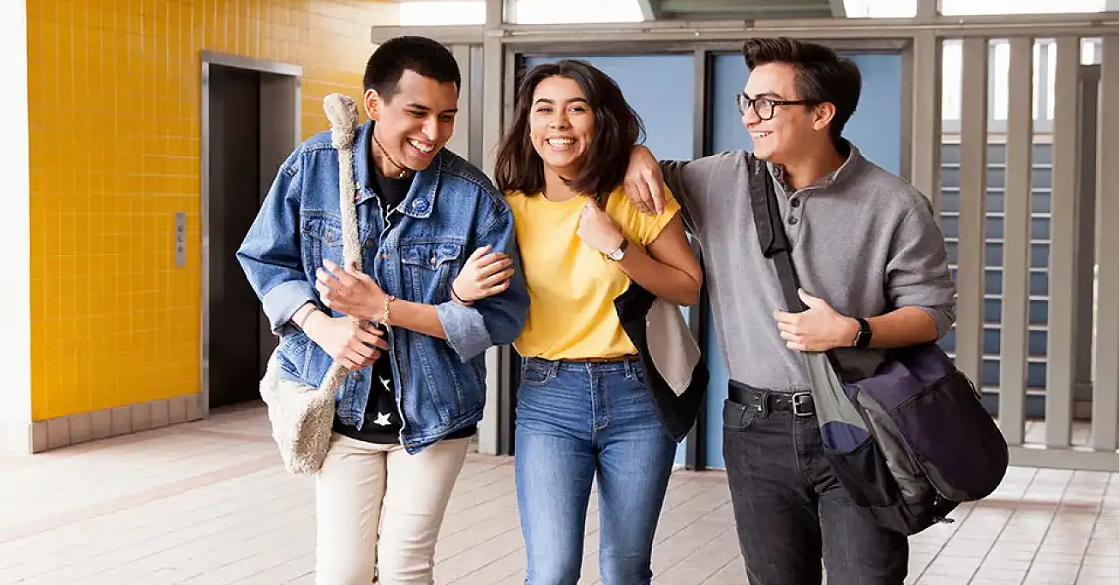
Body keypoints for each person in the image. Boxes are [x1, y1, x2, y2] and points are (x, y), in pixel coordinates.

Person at [622, 37, 956, 585]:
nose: (752, 117)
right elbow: (634, 172)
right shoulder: (722, 179)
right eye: (746, 102)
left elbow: (933, 312)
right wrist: (636, 151)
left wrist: (854, 330)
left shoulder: (893, 203)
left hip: (858, 423)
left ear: (823, 113)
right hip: (755, 428)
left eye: (768, 104)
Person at [236, 35, 530, 585]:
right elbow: (264, 258)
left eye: (447, 117)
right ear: (373, 105)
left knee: (404, 570)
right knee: (342, 573)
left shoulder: (473, 199)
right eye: (417, 113)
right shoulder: (316, 166)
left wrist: (434, 304)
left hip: (435, 414)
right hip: (339, 409)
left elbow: (503, 318)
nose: (433, 133)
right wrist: (321, 328)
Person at [461, 59, 705, 585]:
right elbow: (474, 297)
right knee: (550, 572)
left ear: (600, 120)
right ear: (528, 124)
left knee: (625, 570)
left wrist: (619, 247)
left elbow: (688, 285)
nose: (560, 123)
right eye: (544, 109)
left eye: (577, 108)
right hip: (550, 397)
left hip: (638, 393)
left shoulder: (633, 196)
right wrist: (461, 290)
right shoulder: (509, 209)